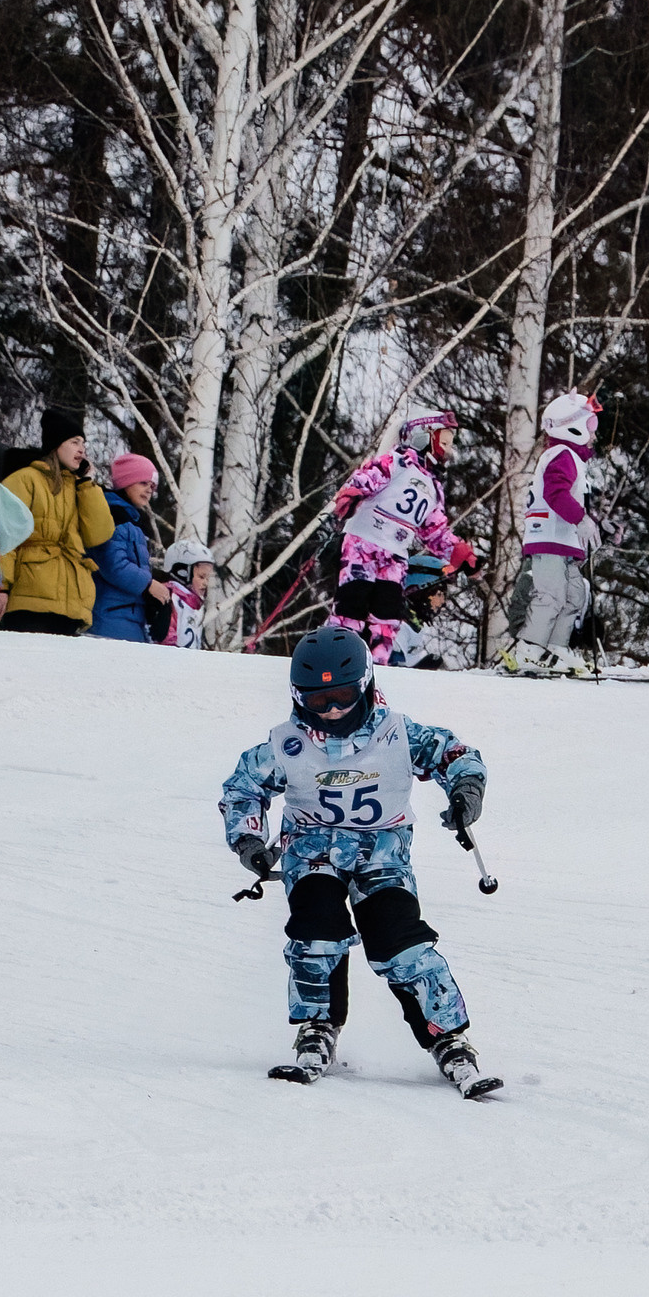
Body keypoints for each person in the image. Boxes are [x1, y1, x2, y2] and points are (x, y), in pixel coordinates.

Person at [219, 626, 498, 1098]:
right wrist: (250, 842)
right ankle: (316, 1026)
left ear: (366, 684)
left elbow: (456, 755)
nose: (331, 710)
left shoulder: (398, 733)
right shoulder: (285, 743)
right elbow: (242, 789)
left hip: (381, 854)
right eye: (317, 699)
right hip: (312, 853)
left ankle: (448, 1038)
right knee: (315, 930)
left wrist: (465, 790)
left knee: (399, 941)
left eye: (343, 695)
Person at [326, 408, 465, 665]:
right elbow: (369, 475)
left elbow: (434, 531)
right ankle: (337, 657)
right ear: (423, 437)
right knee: (352, 602)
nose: (448, 450)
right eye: (444, 442)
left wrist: (460, 554)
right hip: (363, 543)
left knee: (388, 612)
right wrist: (352, 493)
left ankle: (379, 664)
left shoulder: (433, 487)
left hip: (395, 554)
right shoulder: (398, 462)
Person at [500, 390, 602, 677]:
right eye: (591, 427)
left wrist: (591, 523)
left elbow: (570, 498)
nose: (594, 435)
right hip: (549, 538)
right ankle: (528, 647)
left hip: (564, 541)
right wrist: (581, 519)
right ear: (573, 426)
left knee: (575, 595)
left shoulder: (574, 460)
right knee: (552, 595)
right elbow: (555, 493)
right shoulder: (562, 454)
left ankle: (556, 646)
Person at [0, 408, 116, 635]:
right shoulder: (25, 479)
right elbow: (5, 535)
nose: (81, 449)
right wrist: (2, 587)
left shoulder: (78, 487)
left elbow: (99, 534)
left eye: (83, 443)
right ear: (56, 444)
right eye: (74, 442)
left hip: (71, 602)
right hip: (29, 597)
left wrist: (88, 485)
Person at [86, 452, 171, 641]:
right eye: (143, 483)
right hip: (108, 616)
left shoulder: (132, 521)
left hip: (129, 617)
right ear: (125, 482)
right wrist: (148, 584)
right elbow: (113, 565)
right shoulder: (112, 515)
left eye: (152, 486)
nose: (149, 490)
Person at [388, 552, 451, 669]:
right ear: (419, 592)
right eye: (439, 594)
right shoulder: (396, 627)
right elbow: (393, 673)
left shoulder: (413, 626)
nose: (443, 602)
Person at [145, 539, 211, 647]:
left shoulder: (194, 605)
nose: (205, 583)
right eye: (201, 577)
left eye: (208, 578)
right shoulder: (170, 597)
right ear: (183, 573)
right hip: (170, 659)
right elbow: (164, 638)